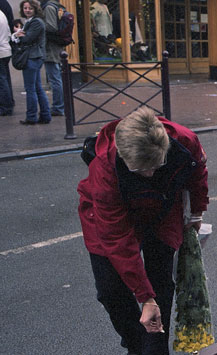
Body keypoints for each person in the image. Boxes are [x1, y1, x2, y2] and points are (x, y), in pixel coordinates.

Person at [78, 107, 209, 355]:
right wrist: (144, 298)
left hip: (163, 208)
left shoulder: (185, 141)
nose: (149, 174)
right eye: (140, 170)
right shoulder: (105, 169)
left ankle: (155, 350)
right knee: (110, 290)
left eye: (156, 166)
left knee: (160, 283)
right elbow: (116, 239)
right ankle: (137, 344)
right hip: (112, 215)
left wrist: (197, 211)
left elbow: (197, 171)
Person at [14, 0, 52, 125]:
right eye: (25, 8)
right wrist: (20, 35)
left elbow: (28, 38)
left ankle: (31, 117)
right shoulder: (31, 22)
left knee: (31, 88)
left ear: (35, 9)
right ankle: (45, 115)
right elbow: (25, 37)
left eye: (30, 8)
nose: (27, 10)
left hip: (33, 57)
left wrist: (18, 35)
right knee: (37, 87)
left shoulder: (36, 22)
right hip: (35, 57)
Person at [41, 0, 65, 117]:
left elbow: (51, 27)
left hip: (51, 47)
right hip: (55, 46)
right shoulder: (55, 5)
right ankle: (59, 106)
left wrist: (38, 23)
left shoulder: (49, 7)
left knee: (55, 78)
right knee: (56, 77)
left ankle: (58, 107)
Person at [0, 8, 12, 116]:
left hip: (1, 51)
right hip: (5, 50)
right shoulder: (2, 14)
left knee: (2, 81)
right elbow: (8, 33)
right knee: (4, 79)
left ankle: (6, 107)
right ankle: (8, 104)